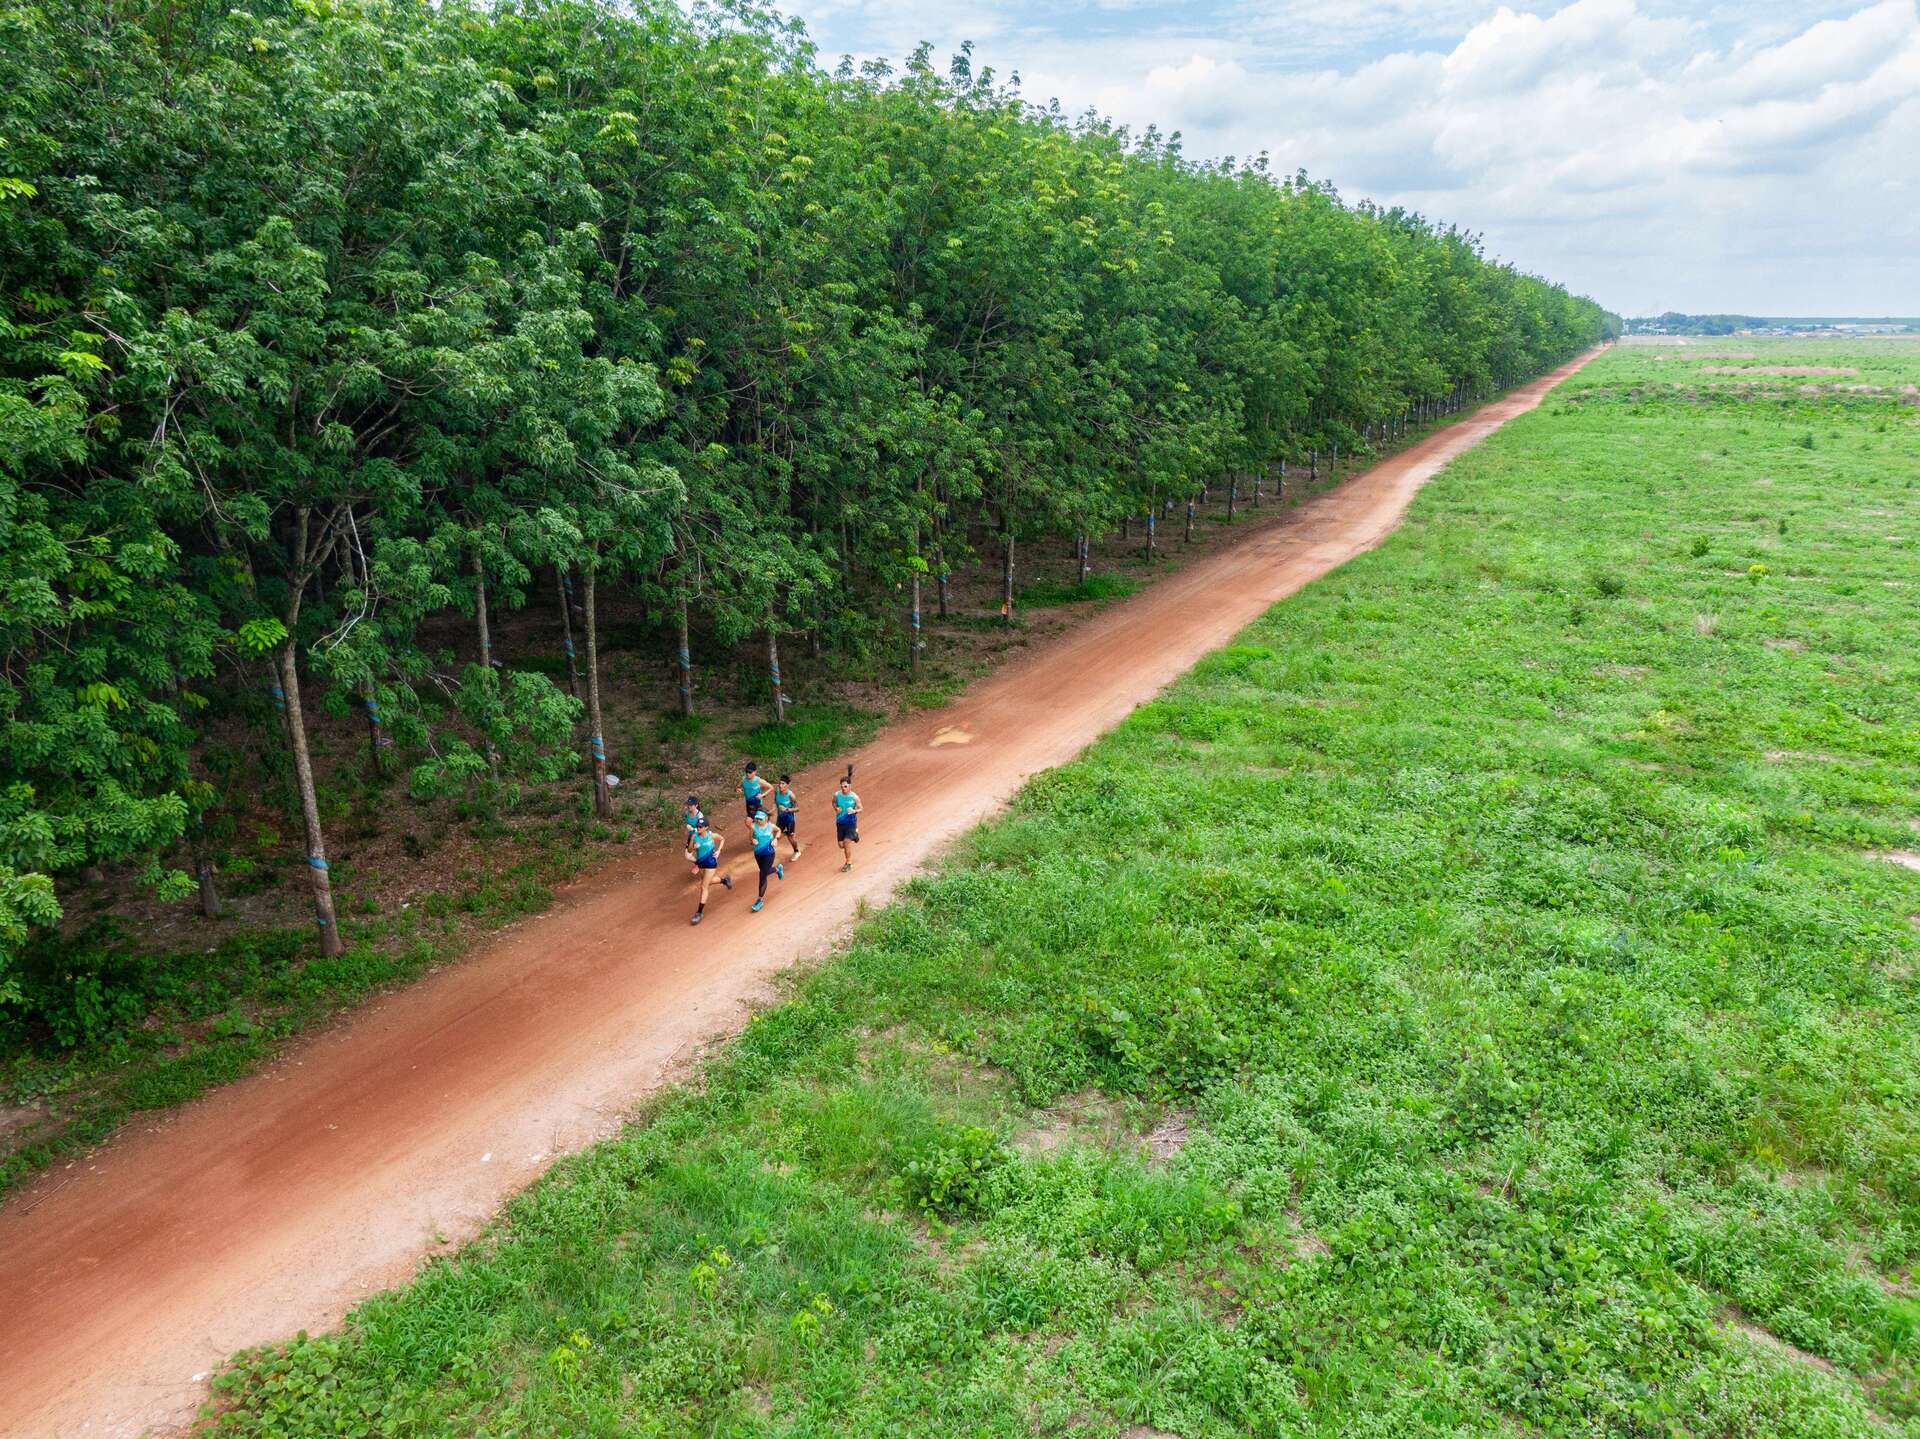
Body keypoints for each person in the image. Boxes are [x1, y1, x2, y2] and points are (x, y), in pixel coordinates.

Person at [688, 817, 732, 924]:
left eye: (700, 827)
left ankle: (699, 912)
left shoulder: (711, 835)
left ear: (706, 828)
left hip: (711, 864)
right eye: (697, 826)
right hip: (701, 863)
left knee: (704, 887)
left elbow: (722, 839)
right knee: (708, 881)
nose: (698, 828)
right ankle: (724, 880)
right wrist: (694, 847)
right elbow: (689, 850)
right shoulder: (694, 836)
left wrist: (718, 851)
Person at [746, 809, 786, 912]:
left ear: (766, 818)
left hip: (769, 853)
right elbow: (750, 837)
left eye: (760, 819)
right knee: (765, 871)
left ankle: (759, 900)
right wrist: (752, 840)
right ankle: (777, 869)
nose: (758, 820)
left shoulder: (771, 826)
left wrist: (776, 839)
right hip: (758, 854)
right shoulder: (753, 827)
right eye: (757, 818)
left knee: (762, 875)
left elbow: (779, 830)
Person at [833, 776, 862, 872]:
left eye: (845, 786)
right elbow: (833, 803)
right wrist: (836, 808)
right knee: (841, 845)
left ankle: (848, 863)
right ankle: (855, 835)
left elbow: (861, 808)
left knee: (846, 842)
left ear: (850, 786)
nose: (843, 788)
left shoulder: (854, 797)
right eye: (841, 786)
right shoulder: (837, 795)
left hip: (851, 823)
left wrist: (854, 811)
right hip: (840, 822)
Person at [773, 774, 802, 859]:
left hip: (790, 819)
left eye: (783, 783)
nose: (780, 785)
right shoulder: (777, 792)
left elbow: (797, 808)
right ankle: (770, 853)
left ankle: (797, 851)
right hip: (780, 817)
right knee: (776, 833)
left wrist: (787, 809)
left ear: (788, 785)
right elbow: (775, 801)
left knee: (790, 838)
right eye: (780, 783)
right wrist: (772, 810)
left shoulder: (791, 795)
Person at [682, 795, 705, 877]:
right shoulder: (688, 813)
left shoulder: (700, 815)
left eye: (691, 805)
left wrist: (692, 829)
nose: (689, 806)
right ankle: (699, 864)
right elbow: (688, 823)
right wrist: (688, 828)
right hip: (691, 837)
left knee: (703, 856)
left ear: (696, 805)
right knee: (688, 856)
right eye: (688, 805)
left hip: (699, 838)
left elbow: (702, 829)